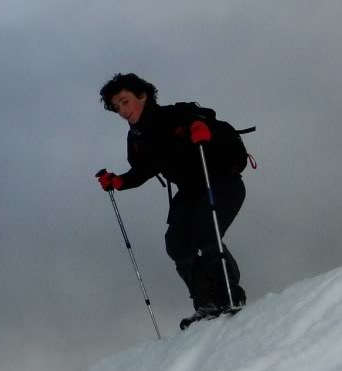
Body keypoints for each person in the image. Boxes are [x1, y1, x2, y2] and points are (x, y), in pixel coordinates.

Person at [95, 73, 246, 321]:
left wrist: (201, 129)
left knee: (206, 231)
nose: (121, 111)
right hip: (189, 192)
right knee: (177, 242)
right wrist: (119, 181)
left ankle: (228, 295)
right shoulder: (137, 139)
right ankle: (206, 302)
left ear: (142, 95)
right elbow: (143, 170)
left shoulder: (176, 116)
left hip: (221, 182)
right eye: (116, 107)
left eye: (124, 101)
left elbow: (208, 122)